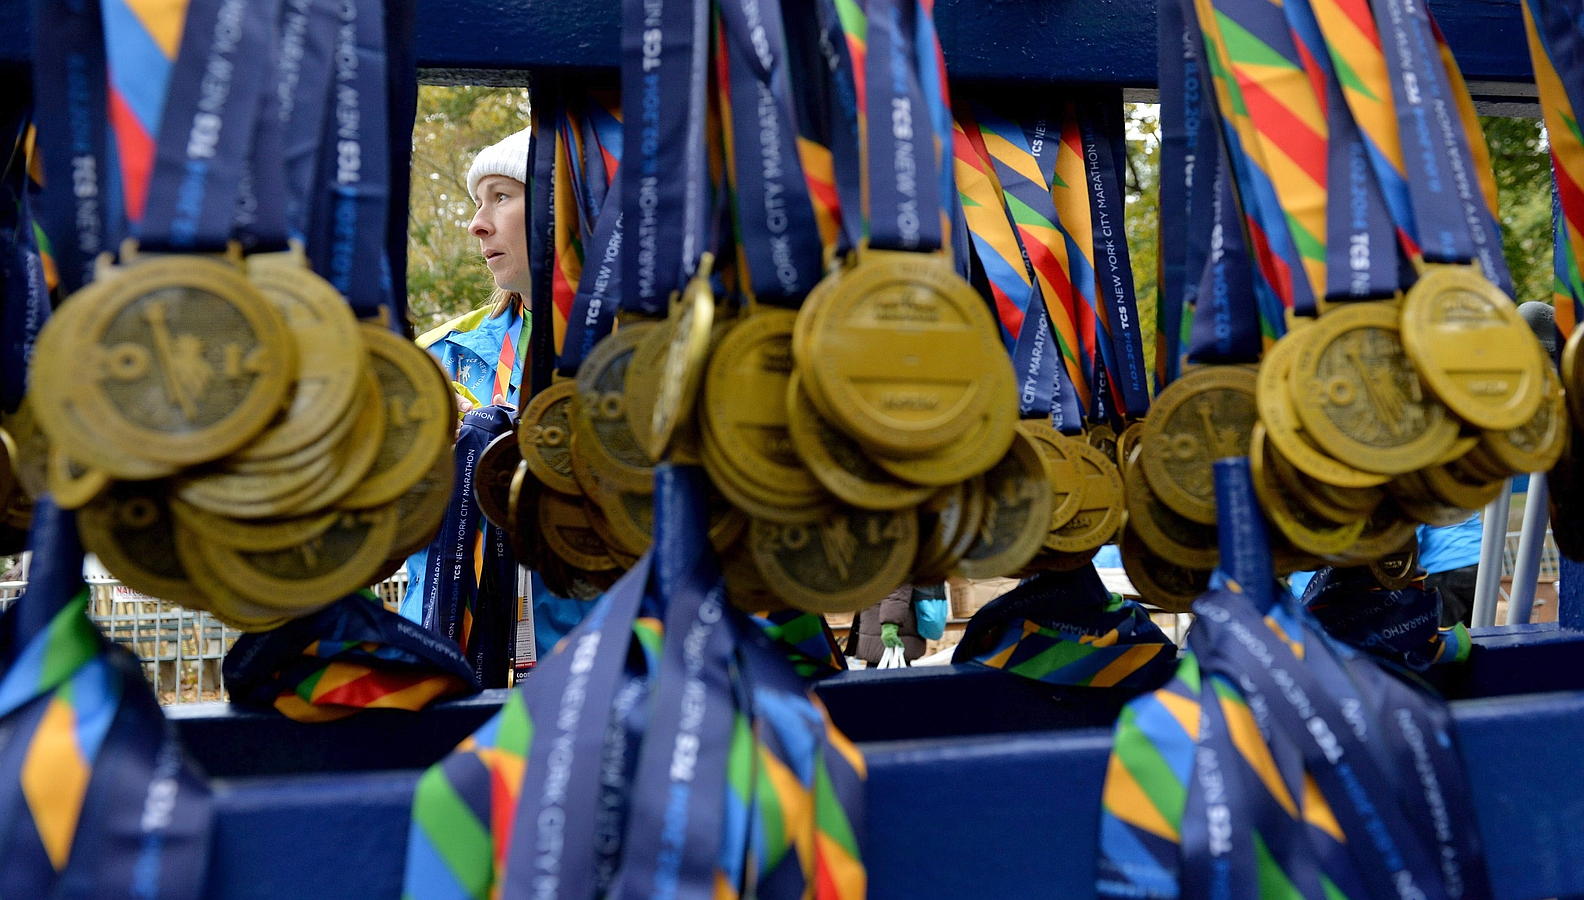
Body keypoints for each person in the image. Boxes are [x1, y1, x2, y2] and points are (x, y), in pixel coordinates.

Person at [400, 128, 589, 660]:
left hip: (581, 668)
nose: (476, 223)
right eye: (477, 203)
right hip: (445, 664)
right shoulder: (438, 356)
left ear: (565, 207)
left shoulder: (633, 356)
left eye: (502, 197)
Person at [845, 583, 935, 666]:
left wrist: (890, 624)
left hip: (888, 630)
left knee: (886, 673)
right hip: (877, 627)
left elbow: (896, 592)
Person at [1419, 513, 1483, 627]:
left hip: (1439, 570)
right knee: (1480, 625)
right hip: (1476, 563)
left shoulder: (1419, 499)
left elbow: (1411, 538)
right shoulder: (1464, 496)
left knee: (1445, 631)